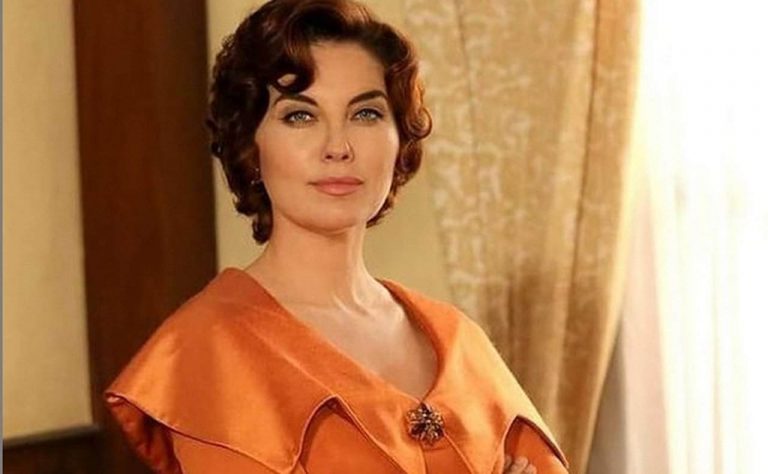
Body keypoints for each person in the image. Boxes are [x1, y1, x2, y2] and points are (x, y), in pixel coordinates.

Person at [104, 1, 569, 473]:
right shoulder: (208, 347)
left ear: (400, 140)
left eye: (365, 113)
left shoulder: (459, 339)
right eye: (300, 116)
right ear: (249, 145)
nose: (338, 147)